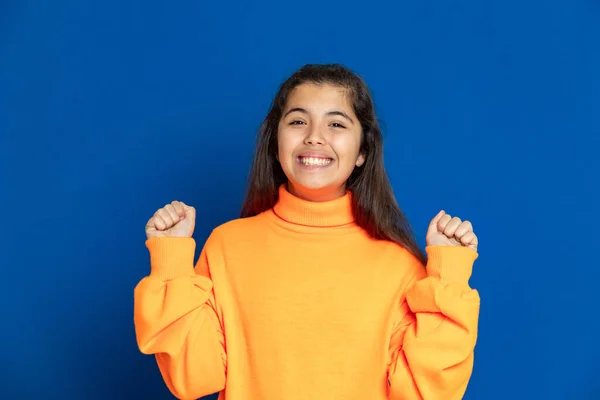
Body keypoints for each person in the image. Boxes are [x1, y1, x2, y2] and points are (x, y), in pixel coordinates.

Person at [134, 63, 480, 400]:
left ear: (362, 151)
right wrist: (172, 265)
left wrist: (447, 280)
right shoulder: (228, 245)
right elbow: (193, 378)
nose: (315, 137)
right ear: (275, 142)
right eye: (298, 121)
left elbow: (426, 393)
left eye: (337, 124)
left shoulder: (399, 266)